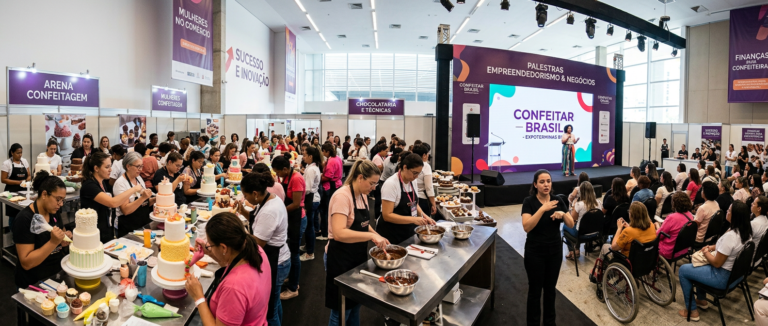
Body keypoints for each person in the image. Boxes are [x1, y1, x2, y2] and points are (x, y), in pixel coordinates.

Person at [325, 160, 390, 326]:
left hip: (356, 257)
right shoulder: (342, 196)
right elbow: (339, 233)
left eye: (376, 184)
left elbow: (363, 224)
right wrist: (370, 237)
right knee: (341, 311)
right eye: (372, 183)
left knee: (355, 306)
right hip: (340, 259)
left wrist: (377, 236)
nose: (374, 187)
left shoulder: (362, 194)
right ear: (360, 177)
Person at [184, 212, 271, 326]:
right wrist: (209, 251)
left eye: (210, 244)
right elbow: (230, 264)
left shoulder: (233, 288)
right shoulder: (256, 250)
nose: (209, 246)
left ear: (224, 248)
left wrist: (199, 297)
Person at [678, 201, 752, 321]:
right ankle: (701, 300)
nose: (727, 211)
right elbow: (726, 248)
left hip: (722, 277)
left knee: (683, 270)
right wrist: (712, 247)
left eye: (729, 210)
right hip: (736, 276)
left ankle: (692, 311)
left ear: (735, 216)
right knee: (698, 266)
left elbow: (717, 263)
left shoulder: (731, 236)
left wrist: (706, 252)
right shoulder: (746, 233)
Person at [236, 171, 290, 326]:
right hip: (280, 258)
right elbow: (257, 221)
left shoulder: (269, 211)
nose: (245, 198)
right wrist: (243, 211)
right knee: (275, 302)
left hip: (276, 261)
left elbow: (257, 243)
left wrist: (238, 233)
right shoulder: (269, 199)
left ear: (255, 193)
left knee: (270, 311)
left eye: (245, 195)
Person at [522, 169, 574, 326]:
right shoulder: (529, 202)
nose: (546, 185)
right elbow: (527, 227)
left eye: (548, 181)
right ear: (535, 184)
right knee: (535, 291)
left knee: (550, 290)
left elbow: (571, 224)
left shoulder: (558, 200)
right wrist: (542, 209)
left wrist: (563, 214)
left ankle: (550, 323)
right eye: (542, 182)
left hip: (554, 252)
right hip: (534, 252)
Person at [12, 171, 70, 288]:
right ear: (44, 194)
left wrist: (63, 239)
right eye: (58, 199)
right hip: (34, 283)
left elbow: (61, 233)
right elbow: (26, 263)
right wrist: (53, 242)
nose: (60, 204)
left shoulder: (54, 212)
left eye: (62, 200)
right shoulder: (24, 219)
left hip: (55, 276)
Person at [80, 152, 143, 243]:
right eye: (107, 167)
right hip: (92, 233)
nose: (111, 170)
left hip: (104, 229)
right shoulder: (89, 186)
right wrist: (134, 189)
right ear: (96, 168)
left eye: (110, 166)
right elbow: (113, 203)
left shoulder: (102, 183)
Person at [377, 152, 436, 244]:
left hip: (407, 230)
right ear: (405, 167)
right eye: (414, 173)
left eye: (418, 174)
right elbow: (387, 216)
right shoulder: (391, 184)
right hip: (391, 233)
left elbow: (413, 203)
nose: (416, 177)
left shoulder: (412, 181)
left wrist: (424, 216)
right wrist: (414, 219)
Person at [271, 156, 305, 301]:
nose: (277, 175)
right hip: (289, 217)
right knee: (289, 251)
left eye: (278, 172)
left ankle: (293, 287)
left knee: (295, 254)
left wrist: (279, 211)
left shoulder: (296, 178)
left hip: (297, 218)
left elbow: (296, 204)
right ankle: (291, 278)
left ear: (285, 169)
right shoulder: (285, 177)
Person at [112, 152, 154, 237]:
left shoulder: (138, 178)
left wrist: (155, 199)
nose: (140, 169)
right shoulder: (120, 183)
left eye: (141, 166)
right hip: (128, 226)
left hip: (142, 223)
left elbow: (144, 204)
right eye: (138, 166)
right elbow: (125, 210)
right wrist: (143, 198)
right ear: (128, 166)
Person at [563, 181, 601, 259]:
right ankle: (576, 249)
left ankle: (572, 251)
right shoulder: (599, 203)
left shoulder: (579, 205)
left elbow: (572, 220)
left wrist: (572, 206)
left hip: (581, 234)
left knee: (565, 226)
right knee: (580, 226)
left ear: (581, 192)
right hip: (596, 233)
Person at [655, 192, 694, 260]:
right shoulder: (690, 215)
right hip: (683, 249)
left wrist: (657, 225)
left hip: (669, 251)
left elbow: (659, 235)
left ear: (674, 203)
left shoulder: (672, 218)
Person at [300, 147, 322, 262]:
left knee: (309, 226)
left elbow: (307, 189)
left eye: (305, 155)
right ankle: (308, 246)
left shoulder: (311, 169)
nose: (303, 157)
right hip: (313, 198)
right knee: (310, 225)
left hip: (311, 199)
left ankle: (310, 253)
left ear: (310, 156)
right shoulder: (312, 167)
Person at [2, 144, 32, 227]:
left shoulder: (24, 161)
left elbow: (29, 175)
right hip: (12, 192)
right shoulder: (7, 163)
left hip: (24, 192)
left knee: (24, 213)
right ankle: (12, 231)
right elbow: (3, 179)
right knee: (13, 215)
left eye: (21, 153)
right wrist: (19, 182)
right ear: (12, 153)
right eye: (18, 153)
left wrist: (26, 181)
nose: (20, 155)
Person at [319, 142, 343, 240]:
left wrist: (318, 178)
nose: (323, 153)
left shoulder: (331, 161)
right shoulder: (337, 158)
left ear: (327, 151)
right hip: (338, 184)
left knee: (325, 210)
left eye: (323, 151)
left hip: (331, 186)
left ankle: (325, 233)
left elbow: (328, 177)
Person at [412, 144, 436, 217]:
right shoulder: (425, 166)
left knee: (414, 219)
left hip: (411, 198)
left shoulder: (411, 164)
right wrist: (433, 204)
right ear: (424, 155)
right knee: (424, 221)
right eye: (428, 153)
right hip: (422, 199)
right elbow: (429, 187)